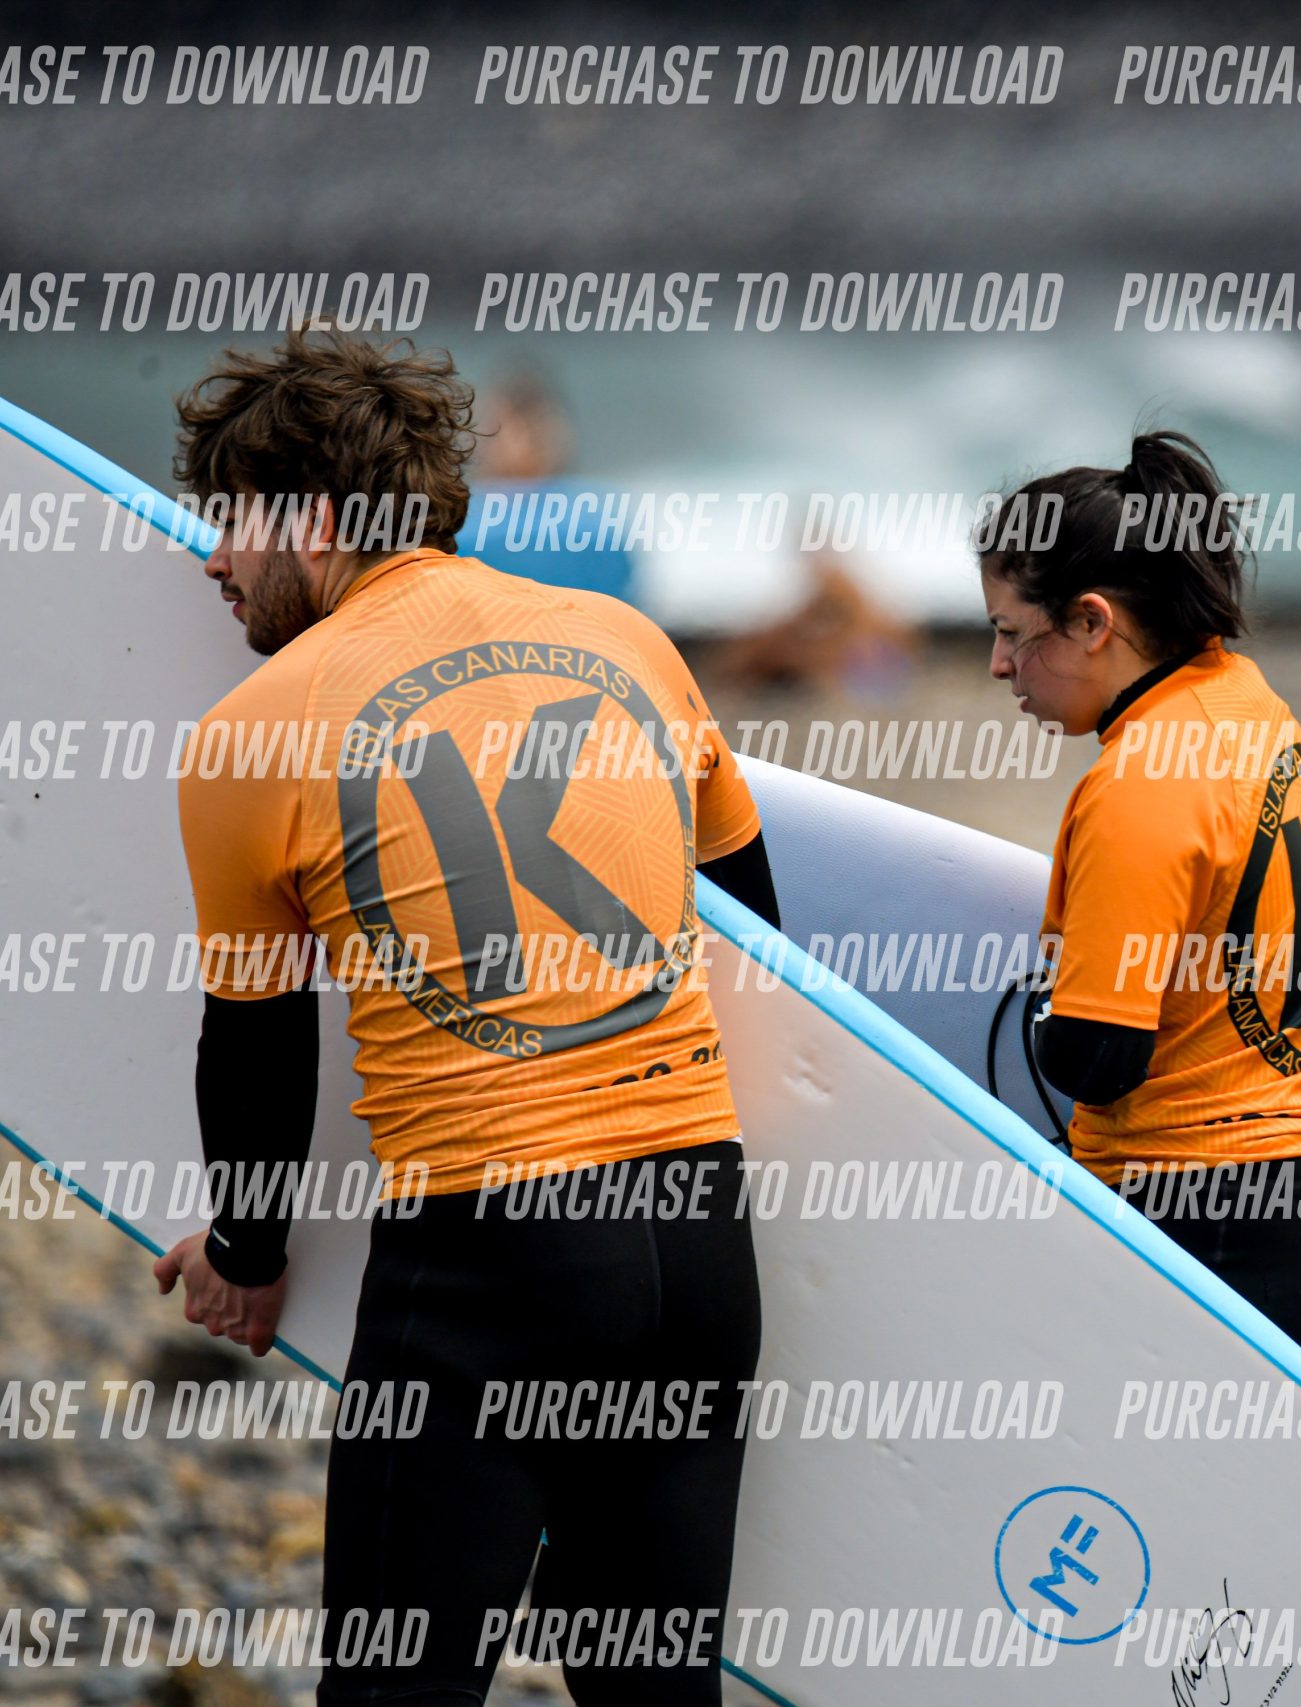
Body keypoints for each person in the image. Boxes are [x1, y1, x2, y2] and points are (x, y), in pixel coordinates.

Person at [152, 328, 779, 1706]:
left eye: (231, 518)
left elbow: (257, 1040)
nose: (211, 557)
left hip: (493, 1263)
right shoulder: (625, 641)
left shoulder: (251, 734)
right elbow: (751, 929)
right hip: (698, 1243)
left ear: (316, 520)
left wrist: (248, 1252)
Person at [978, 430, 1301, 1392]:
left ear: (1091, 620)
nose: (1000, 666)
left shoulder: (1142, 779)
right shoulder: (1251, 710)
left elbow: (1098, 1054)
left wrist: (1038, 1011)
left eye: (1012, 632)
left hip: (1224, 1240)